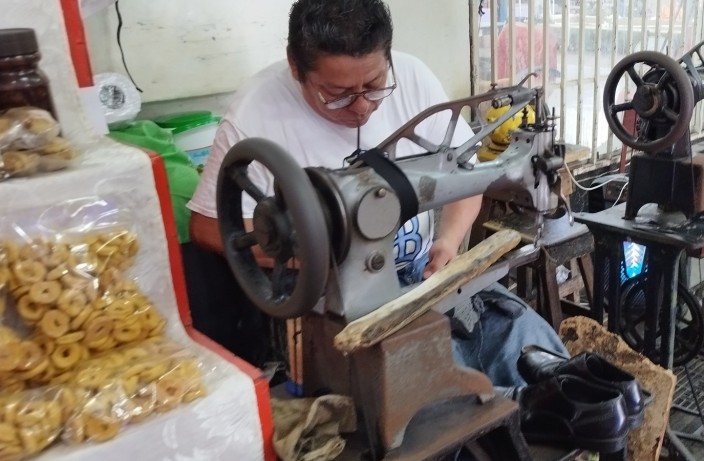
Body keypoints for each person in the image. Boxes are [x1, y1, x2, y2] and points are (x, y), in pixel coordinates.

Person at [186, 0, 567, 387]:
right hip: (336, 310)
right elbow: (206, 226)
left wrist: (449, 242)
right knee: (446, 385)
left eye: (374, 85)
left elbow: (466, 177)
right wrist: (315, 251)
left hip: (423, 281)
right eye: (337, 94)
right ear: (295, 67)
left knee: (527, 340)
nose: (362, 106)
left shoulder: (414, 77)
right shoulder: (255, 113)